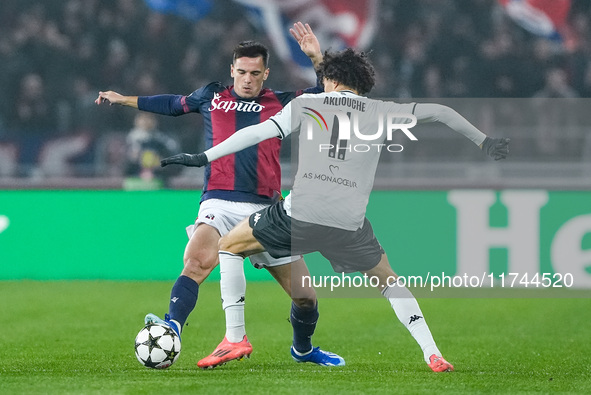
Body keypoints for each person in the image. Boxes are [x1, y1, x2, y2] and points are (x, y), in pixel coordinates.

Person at [160, 48, 510, 372]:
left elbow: (256, 134)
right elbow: (442, 112)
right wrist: (485, 141)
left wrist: (203, 157)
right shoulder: (382, 111)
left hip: (301, 215)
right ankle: (431, 352)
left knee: (228, 246)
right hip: (349, 224)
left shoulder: (311, 104)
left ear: (331, 80)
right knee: (389, 280)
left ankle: (235, 338)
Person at [96, 23, 345, 368]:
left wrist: (317, 58)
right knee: (196, 261)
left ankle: (302, 349)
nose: (247, 79)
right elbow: (173, 104)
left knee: (305, 297)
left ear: (265, 73)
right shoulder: (212, 96)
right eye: (241, 71)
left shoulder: (283, 103)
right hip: (219, 201)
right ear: (232, 70)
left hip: (267, 209)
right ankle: (172, 327)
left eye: (255, 73)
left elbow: (329, 95)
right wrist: (124, 99)